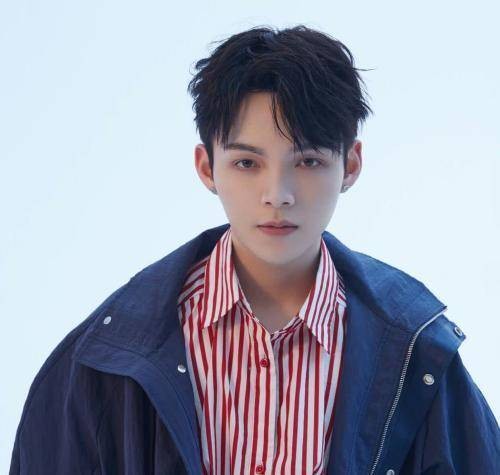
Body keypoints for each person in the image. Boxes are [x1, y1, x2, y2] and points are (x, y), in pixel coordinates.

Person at [9, 24, 499, 475]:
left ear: (350, 165)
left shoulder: (417, 353)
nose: (277, 194)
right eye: (247, 163)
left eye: (308, 161)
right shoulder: (102, 360)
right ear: (207, 167)